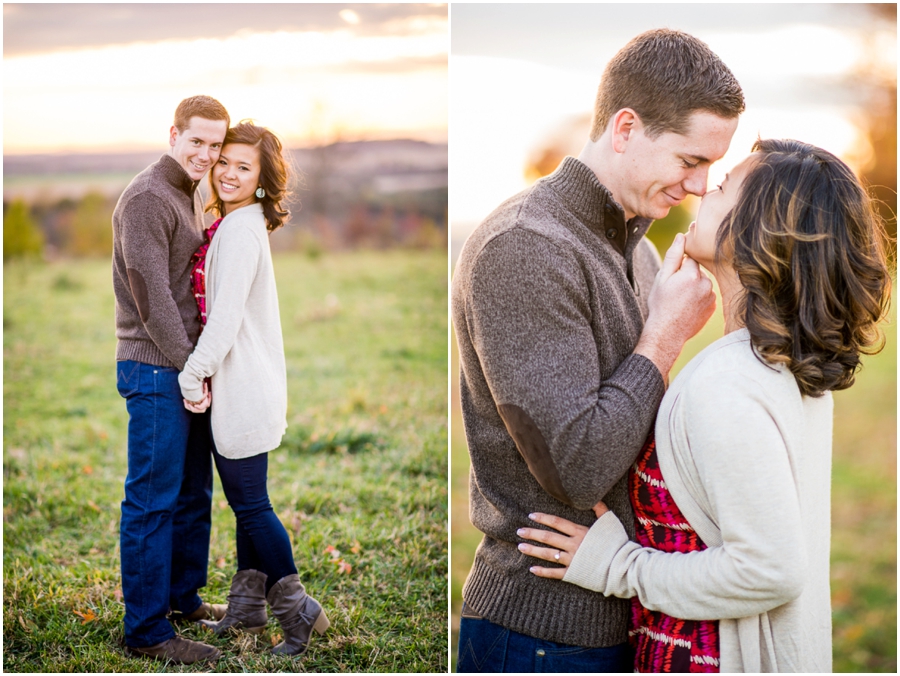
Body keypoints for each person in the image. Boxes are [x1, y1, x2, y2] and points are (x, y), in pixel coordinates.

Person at [518, 139, 892, 672]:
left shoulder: (728, 384)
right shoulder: (785, 366)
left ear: (756, 233)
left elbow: (769, 569)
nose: (700, 187)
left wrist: (616, 566)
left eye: (720, 186)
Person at [451, 29, 744, 672]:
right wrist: (664, 338)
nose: (698, 186)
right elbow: (577, 467)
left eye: (710, 170)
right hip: (539, 633)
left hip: (615, 616)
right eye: (690, 160)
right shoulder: (525, 247)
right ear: (626, 127)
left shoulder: (635, 250)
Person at [177, 121, 330, 656]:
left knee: (251, 506)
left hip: (243, 388)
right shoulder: (236, 223)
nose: (230, 173)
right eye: (226, 162)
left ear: (263, 179)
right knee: (245, 503)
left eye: (245, 167)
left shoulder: (241, 231)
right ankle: (246, 608)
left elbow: (223, 321)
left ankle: (300, 611)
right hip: (246, 384)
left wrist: (192, 373)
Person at [112, 95, 230, 664]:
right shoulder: (147, 199)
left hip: (183, 366)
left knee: (191, 493)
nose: (207, 154)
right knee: (152, 501)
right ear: (174, 135)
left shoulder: (188, 194)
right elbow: (152, 297)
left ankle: (182, 599)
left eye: (215, 144)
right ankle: (147, 632)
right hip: (157, 368)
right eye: (197, 141)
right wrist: (191, 367)